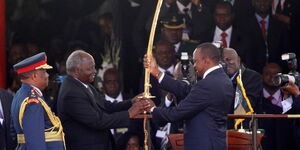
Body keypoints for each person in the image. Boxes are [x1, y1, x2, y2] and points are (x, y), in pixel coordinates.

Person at [144, 43, 234, 150]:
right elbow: (186, 90)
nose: (194, 66)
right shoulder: (224, 80)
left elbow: (177, 113)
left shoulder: (207, 85)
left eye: (196, 61)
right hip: (216, 143)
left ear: (205, 61)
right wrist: (157, 73)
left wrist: (152, 109)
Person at [57, 50, 146, 150]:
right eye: (90, 68)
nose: (95, 71)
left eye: (94, 67)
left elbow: (106, 106)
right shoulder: (71, 93)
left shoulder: (84, 85)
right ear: (76, 71)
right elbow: (98, 121)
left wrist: (131, 102)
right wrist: (128, 114)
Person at [11, 52, 65, 150]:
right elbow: (35, 144)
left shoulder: (21, 94)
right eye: (44, 71)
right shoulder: (32, 101)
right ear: (35, 76)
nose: (48, 75)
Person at [222, 48, 262, 128]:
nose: (226, 63)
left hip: (244, 127)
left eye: (229, 59)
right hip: (220, 128)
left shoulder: (252, 77)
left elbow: (247, 104)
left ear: (238, 59)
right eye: (222, 61)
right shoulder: (218, 78)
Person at [260, 63, 296, 149]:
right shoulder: (255, 97)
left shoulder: (290, 97)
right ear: (262, 76)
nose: (272, 77)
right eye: (268, 73)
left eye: (276, 74)